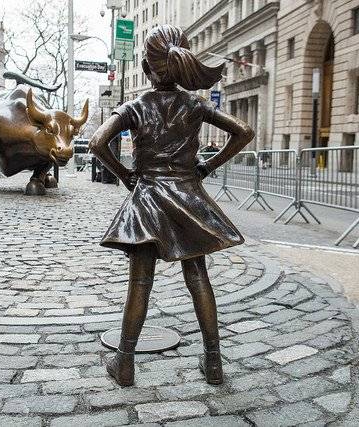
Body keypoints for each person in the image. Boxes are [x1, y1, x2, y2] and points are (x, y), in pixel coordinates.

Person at [90, 25, 254, 387]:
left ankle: (126, 364)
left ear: (148, 70)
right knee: (198, 277)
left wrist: (127, 177)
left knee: (140, 283)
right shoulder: (195, 104)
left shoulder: (135, 106)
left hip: (147, 197)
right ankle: (214, 364)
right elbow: (244, 131)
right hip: (187, 196)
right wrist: (207, 167)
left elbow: (99, 143)